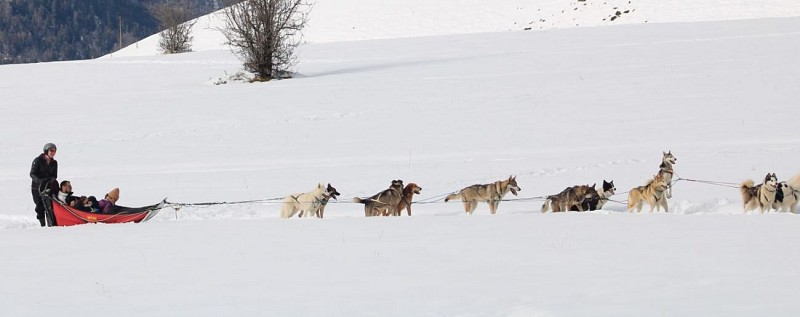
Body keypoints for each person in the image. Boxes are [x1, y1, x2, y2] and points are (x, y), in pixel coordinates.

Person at [30, 143, 58, 226]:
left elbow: (55, 175)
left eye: (54, 151)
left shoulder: (54, 162)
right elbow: (32, 174)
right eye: (51, 150)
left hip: (48, 187)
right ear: (46, 151)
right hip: (37, 187)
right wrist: (39, 181)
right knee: (40, 206)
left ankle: (51, 223)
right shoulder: (37, 160)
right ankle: (42, 224)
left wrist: (50, 179)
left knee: (50, 205)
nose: (53, 152)